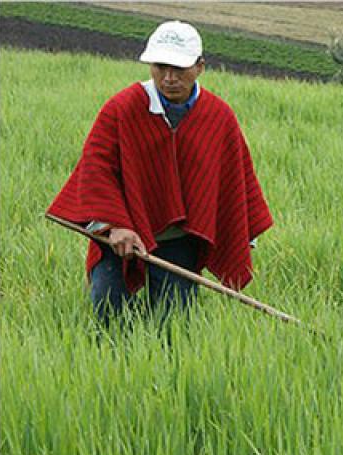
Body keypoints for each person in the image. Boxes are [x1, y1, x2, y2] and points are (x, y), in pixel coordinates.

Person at [47, 20, 273, 324]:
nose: (168, 78)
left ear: (200, 67)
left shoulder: (218, 117)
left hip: (181, 237)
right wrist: (115, 226)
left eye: (179, 69)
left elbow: (235, 181)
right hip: (120, 234)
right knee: (108, 311)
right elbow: (95, 172)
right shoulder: (122, 109)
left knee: (173, 323)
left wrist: (237, 236)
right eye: (160, 67)